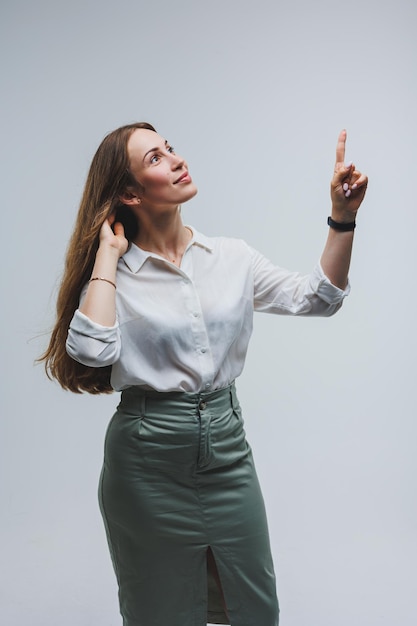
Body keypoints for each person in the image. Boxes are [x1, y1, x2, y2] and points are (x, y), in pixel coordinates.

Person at [40, 122, 367, 626]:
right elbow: (89, 350)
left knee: (255, 610)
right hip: (146, 466)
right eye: (154, 158)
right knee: (159, 613)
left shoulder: (231, 258)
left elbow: (319, 299)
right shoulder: (114, 277)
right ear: (129, 192)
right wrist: (108, 254)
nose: (174, 159)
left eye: (169, 148)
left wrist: (341, 220)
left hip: (227, 456)